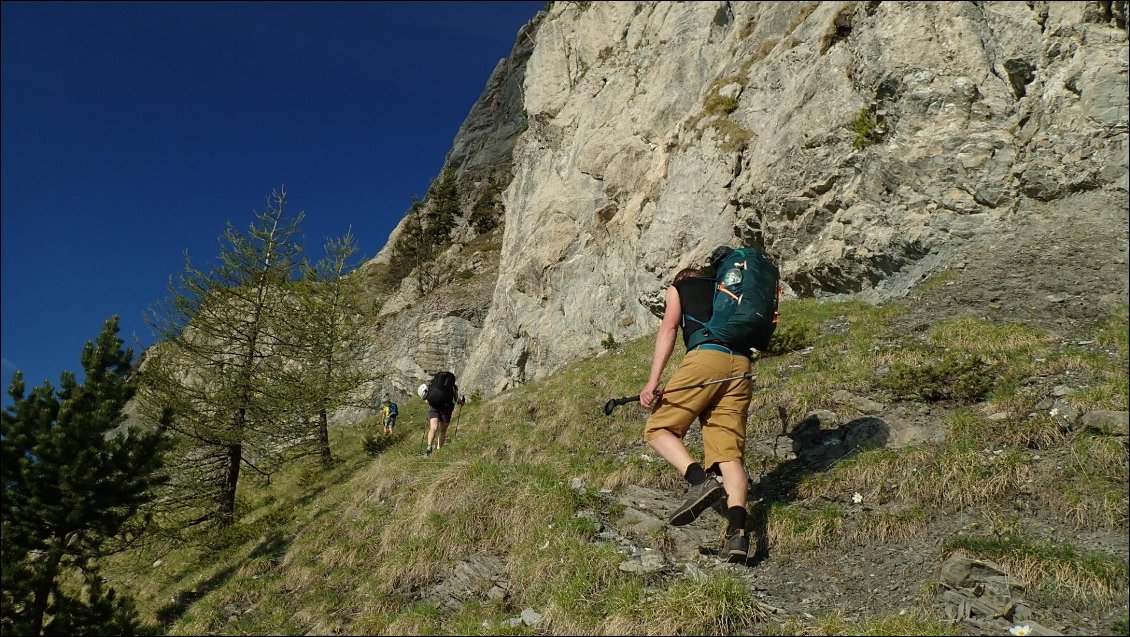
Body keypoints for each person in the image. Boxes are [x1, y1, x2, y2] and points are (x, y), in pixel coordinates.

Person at [639, 254, 754, 564]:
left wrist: (652, 384)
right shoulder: (724, 290)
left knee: (658, 428)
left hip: (706, 358)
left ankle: (699, 481)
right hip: (741, 366)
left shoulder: (680, 288)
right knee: (728, 453)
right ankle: (738, 534)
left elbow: (669, 329)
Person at [423, 371, 458, 456]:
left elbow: (426, 399)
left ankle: (429, 446)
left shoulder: (433, 384)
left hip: (434, 407)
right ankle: (438, 450)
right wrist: (462, 402)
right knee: (443, 431)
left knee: (433, 428)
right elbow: (456, 399)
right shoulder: (452, 387)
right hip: (446, 409)